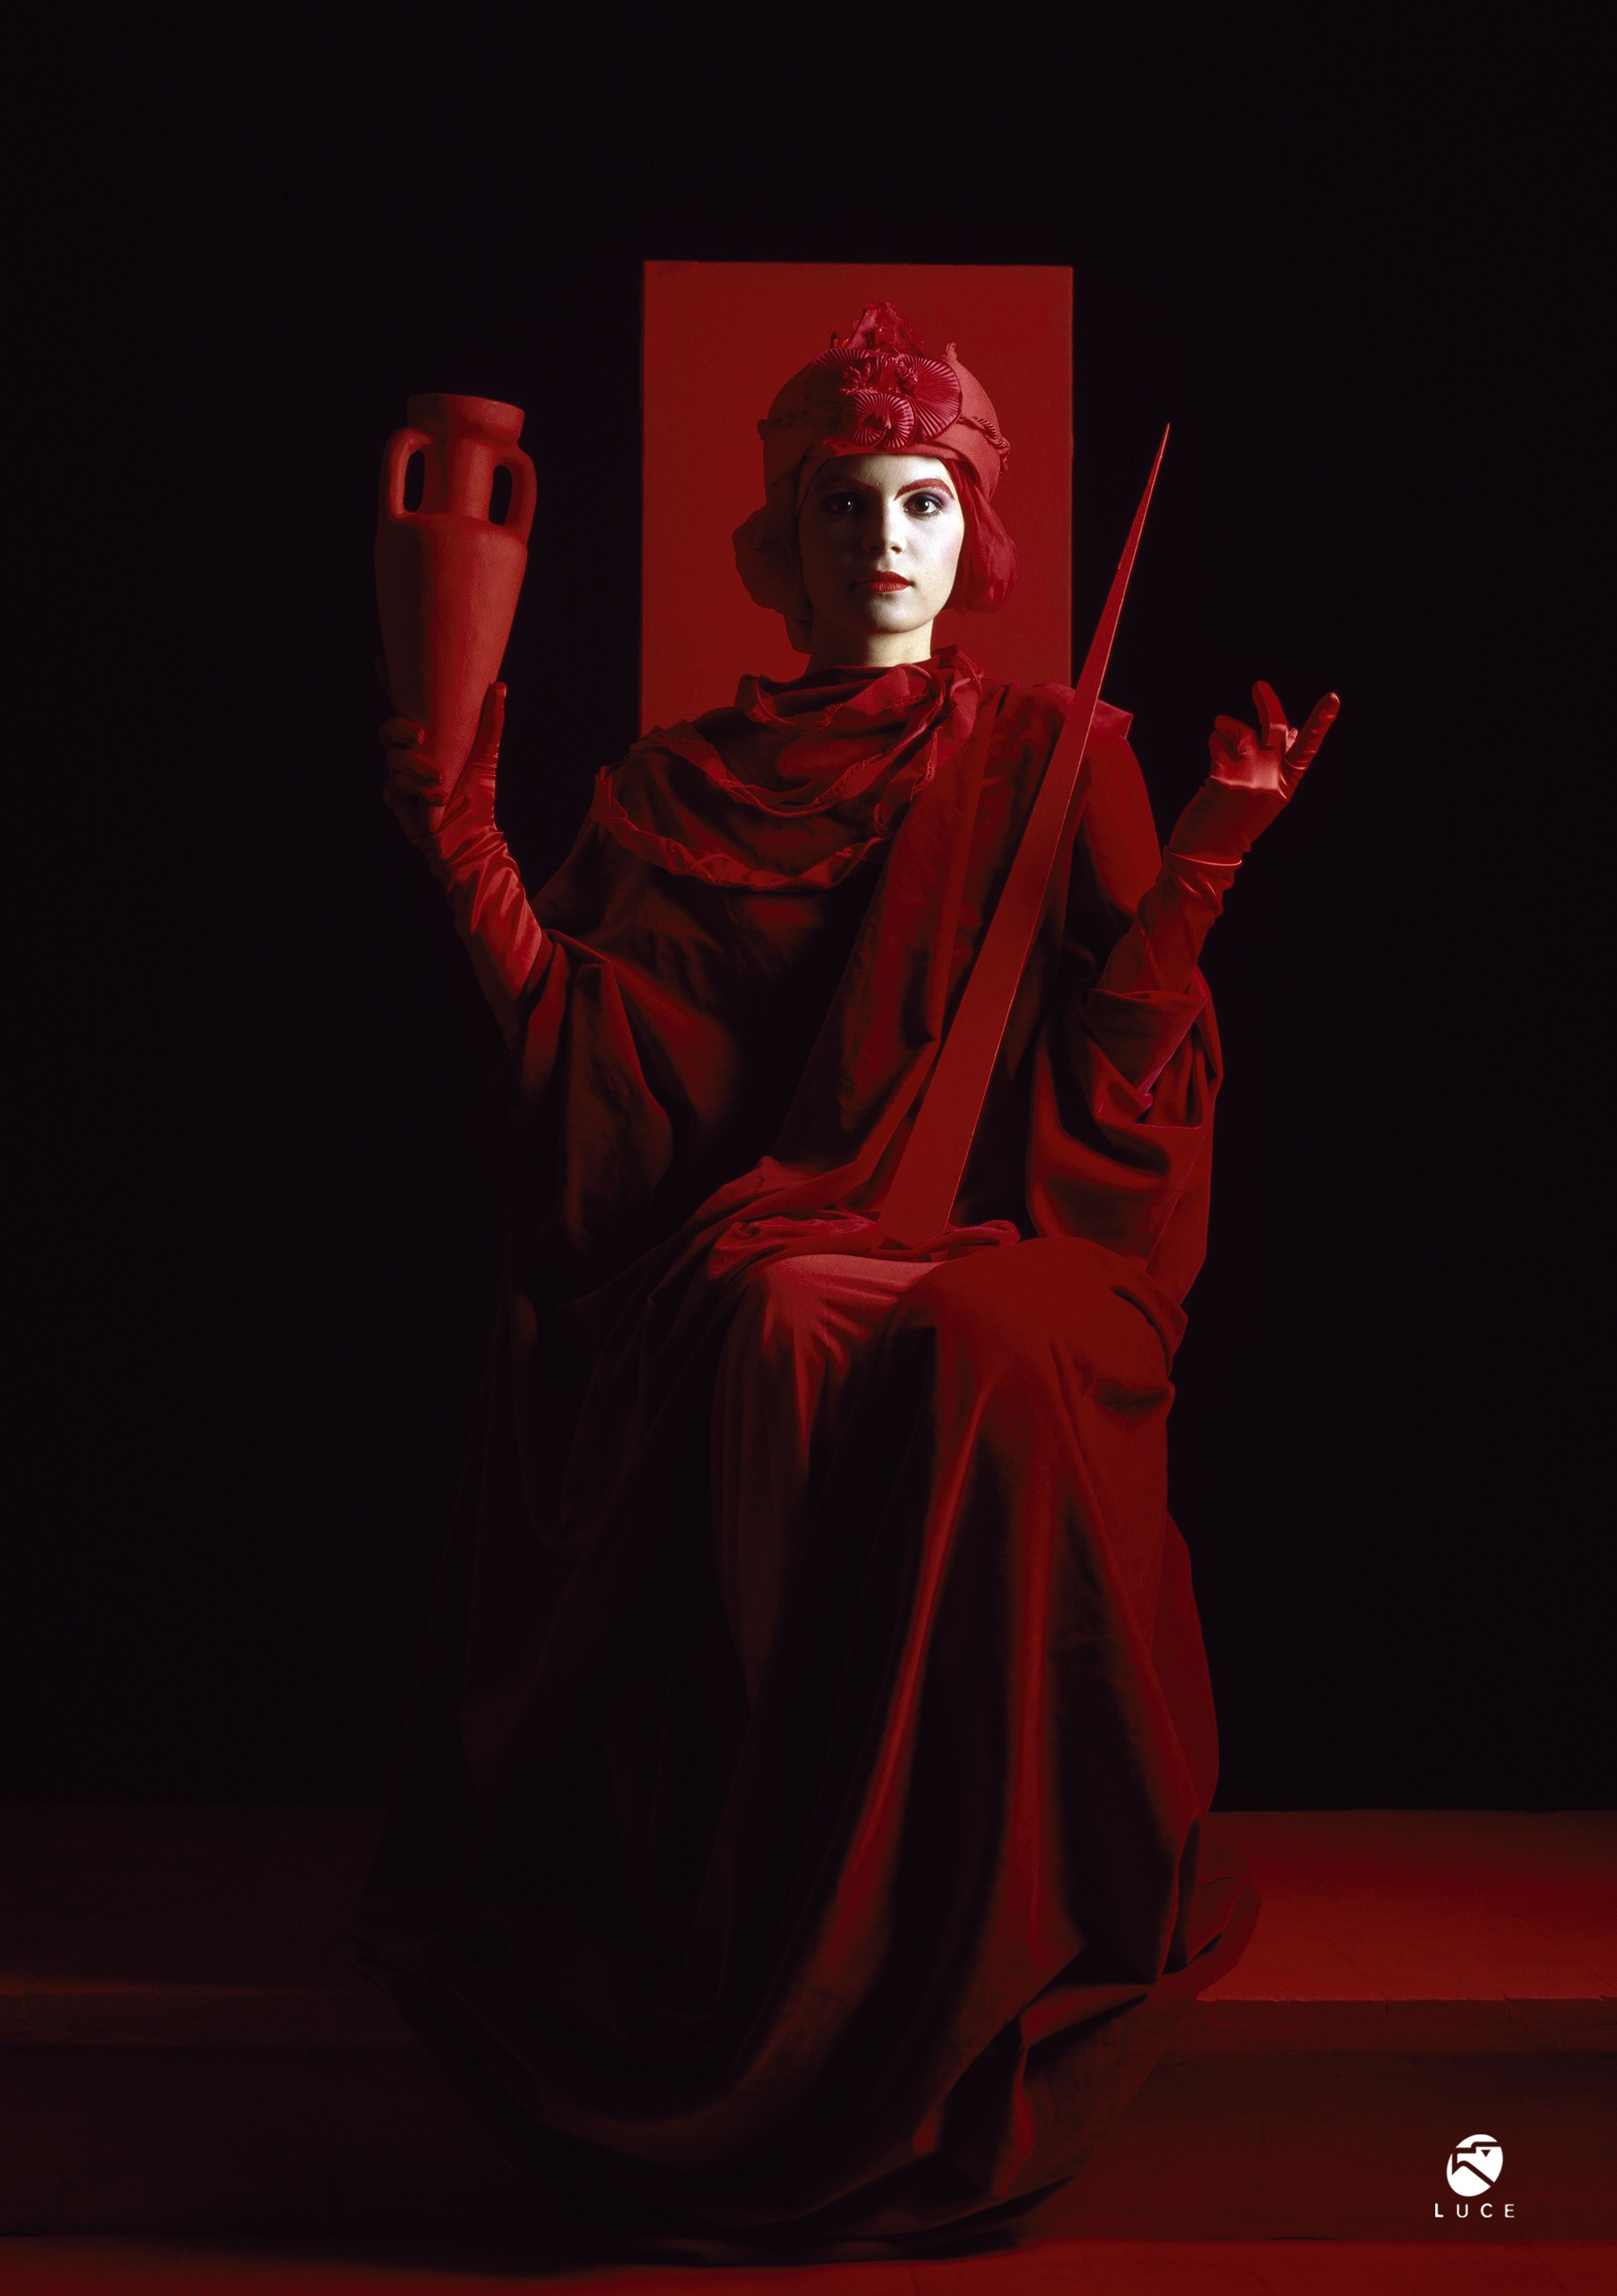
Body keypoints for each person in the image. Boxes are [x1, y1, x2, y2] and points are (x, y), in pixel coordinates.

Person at [357, 303, 1338, 2252]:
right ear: (782, 547)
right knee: (774, 1312)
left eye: (921, 502)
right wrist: (462, 850)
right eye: (843, 506)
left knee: (977, 1335)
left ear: (975, 536)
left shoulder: (1061, 755)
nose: (886, 539)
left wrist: (1207, 861)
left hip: (1010, 1236)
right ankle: (783, 1852)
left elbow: (1108, 1083)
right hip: (771, 1242)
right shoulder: (672, 783)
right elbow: (606, 1089)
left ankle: (953, 1875)